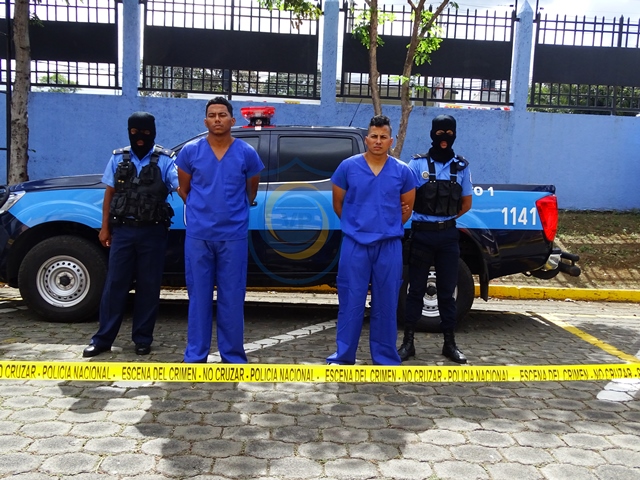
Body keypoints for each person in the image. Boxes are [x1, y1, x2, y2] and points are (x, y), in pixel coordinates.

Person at [176, 97, 264, 364]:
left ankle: (233, 355)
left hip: (233, 236)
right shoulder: (190, 152)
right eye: (212, 115)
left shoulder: (246, 153)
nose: (217, 119)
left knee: (232, 297)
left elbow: (251, 189)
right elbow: (185, 189)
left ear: (232, 120)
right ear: (205, 121)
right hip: (199, 236)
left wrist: (234, 209)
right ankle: (195, 355)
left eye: (222, 114)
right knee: (199, 297)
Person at [83, 112, 178, 357]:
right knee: (115, 285)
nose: (139, 137)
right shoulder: (117, 158)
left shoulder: (166, 160)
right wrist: (105, 228)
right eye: (135, 131)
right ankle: (103, 339)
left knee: (148, 287)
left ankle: (143, 339)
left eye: (145, 132)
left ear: (153, 132)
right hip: (123, 231)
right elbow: (110, 195)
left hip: (153, 232)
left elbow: (181, 187)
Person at [327, 115, 416, 366]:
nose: (378, 141)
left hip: (389, 245)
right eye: (374, 136)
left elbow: (407, 208)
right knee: (350, 300)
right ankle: (344, 355)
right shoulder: (348, 167)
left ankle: (385, 357)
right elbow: (338, 204)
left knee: (387, 303)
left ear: (391, 140)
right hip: (355, 244)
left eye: (383, 137)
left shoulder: (403, 171)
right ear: (367, 139)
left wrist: (384, 223)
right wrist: (357, 225)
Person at [397, 114, 473, 364]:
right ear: (432, 134)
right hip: (421, 235)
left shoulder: (461, 167)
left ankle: (449, 343)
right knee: (415, 289)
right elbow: (404, 198)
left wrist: (444, 219)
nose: (444, 137)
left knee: (446, 291)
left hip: (448, 237)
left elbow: (465, 203)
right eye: (440, 132)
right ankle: (408, 343)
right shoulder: (416, 165)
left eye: (449, 133)